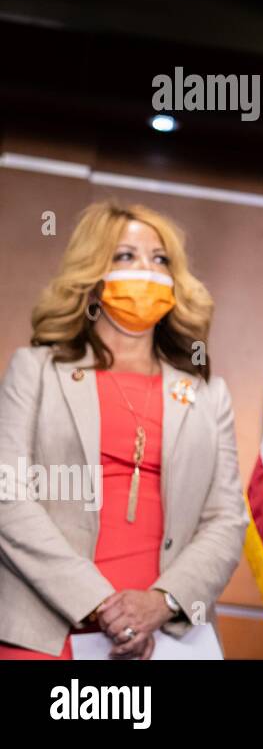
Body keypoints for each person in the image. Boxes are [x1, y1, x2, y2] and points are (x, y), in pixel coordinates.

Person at [0, 201, 247, 658]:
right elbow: (9, 498)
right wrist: (98, 604)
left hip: (168, 640)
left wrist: (161, 603)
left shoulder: (208, 394)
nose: (147, 271)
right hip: (46, 633)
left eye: (160, 259)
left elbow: (226, 519)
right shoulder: (35, 370)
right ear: (93, 277)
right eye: (126, 256)